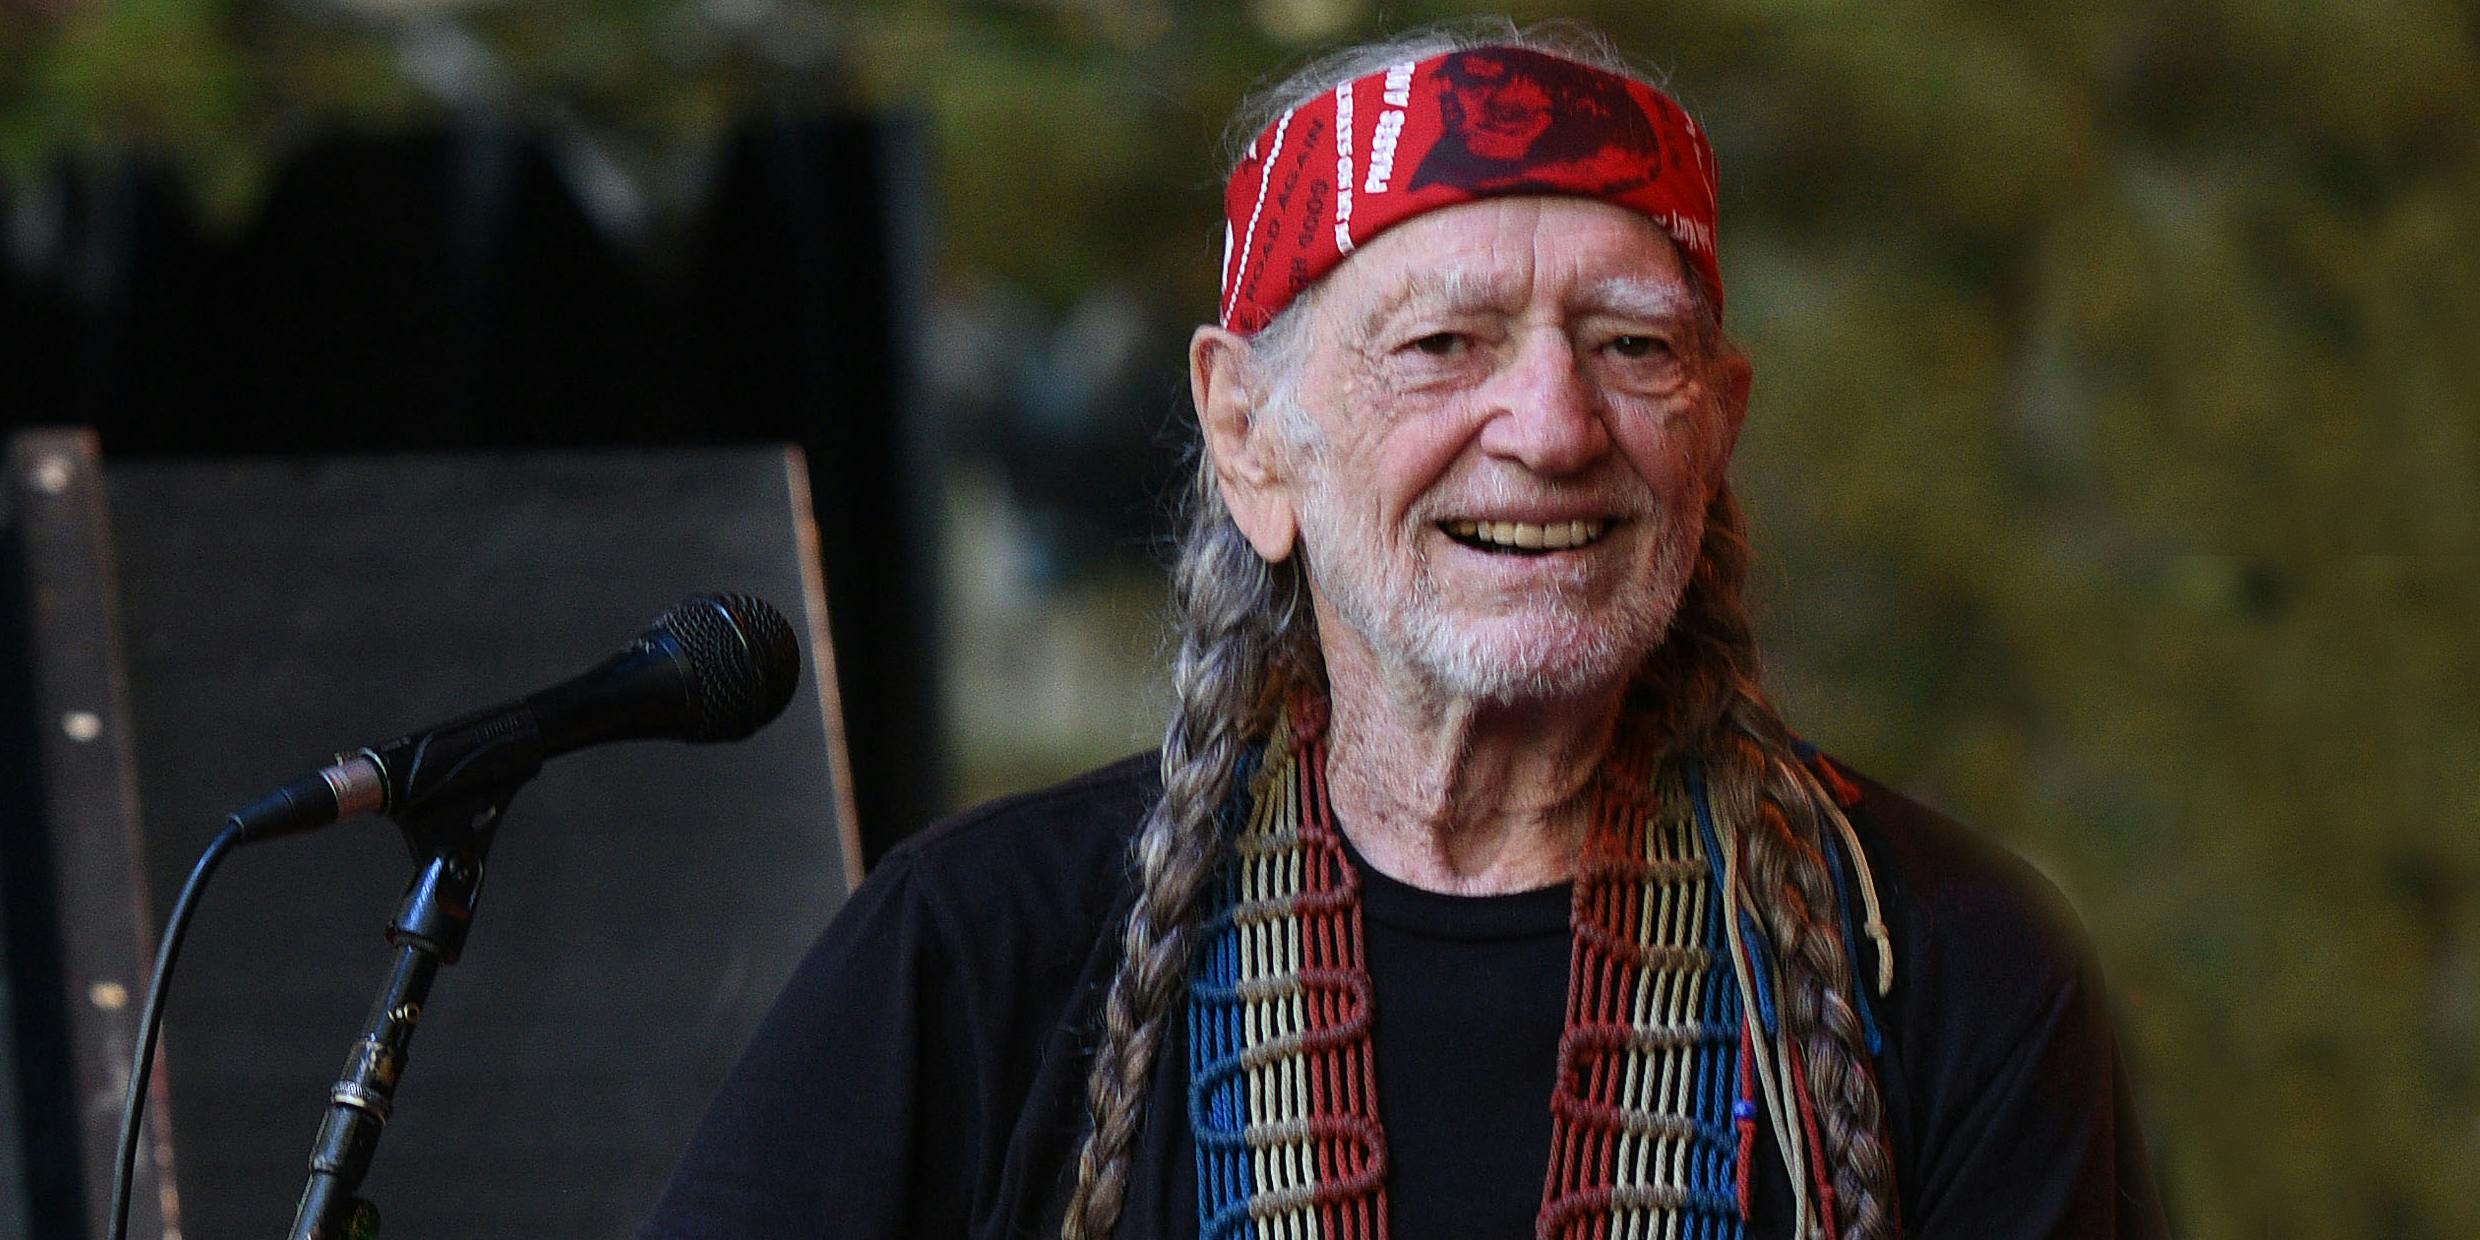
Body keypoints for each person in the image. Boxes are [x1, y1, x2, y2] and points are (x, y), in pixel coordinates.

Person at [641, 20, 2167, 1240]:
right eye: (1445, 345)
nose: (1555, 425)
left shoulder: (1955, 968)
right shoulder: (981, 956)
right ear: (1248, 437)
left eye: (1635, 346)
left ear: (1717, 422)